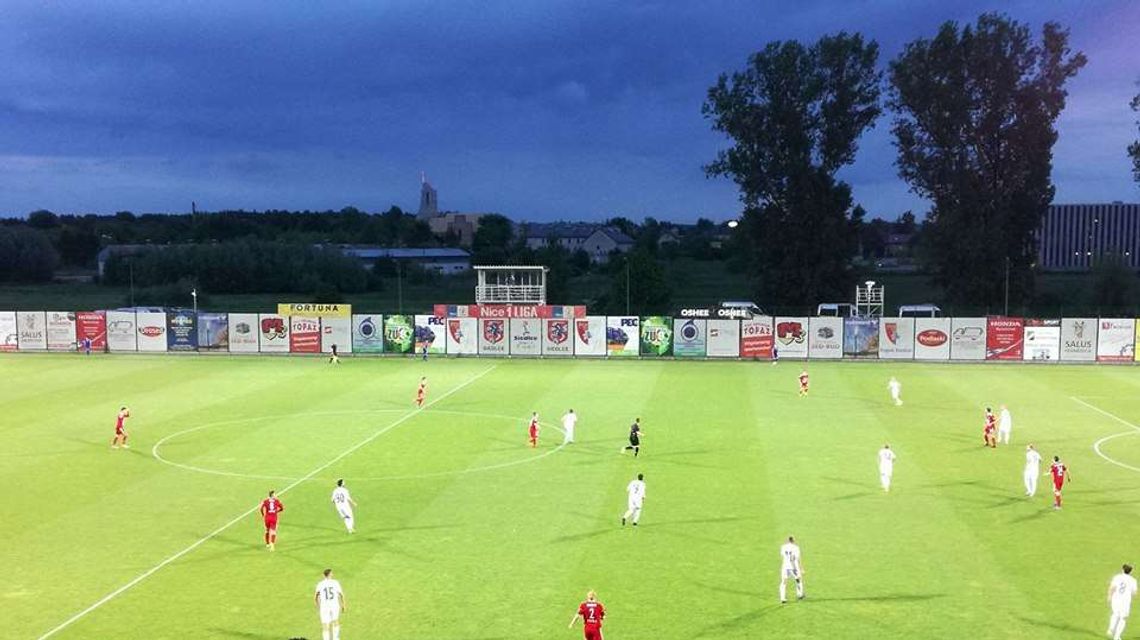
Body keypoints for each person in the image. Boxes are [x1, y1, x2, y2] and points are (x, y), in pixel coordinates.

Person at [1108, 564, 1138, 640]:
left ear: (1122, 569)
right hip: (1125, 601)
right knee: (1123, 618)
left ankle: (1111, 629)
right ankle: (1117, 636)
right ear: (1131, 571)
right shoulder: (1133, 580)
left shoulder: (1117, 577)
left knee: (1115, 614)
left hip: (1116, 599)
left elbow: (1112, 587)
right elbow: (1134, 593)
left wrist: (1109, 596)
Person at [314, 568, 346, 640]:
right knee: (335, 621)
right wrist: (343, 605)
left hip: (324, 606)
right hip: (334, 605)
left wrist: (318, 606)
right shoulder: (335, 583)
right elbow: (341, 594)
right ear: (330, 574)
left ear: (324, 575)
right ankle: (336, 638)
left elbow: (316, 596)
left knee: (325, 625)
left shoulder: (320, 584)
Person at [779, 536, 805, 603]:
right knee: (798, 580)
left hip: (785, 567)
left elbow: (782, 555)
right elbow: (797, 558)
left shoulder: (783, 547)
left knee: (784, 581)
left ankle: (782, 598)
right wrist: (801, 568)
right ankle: (800, 594)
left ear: (788, 540)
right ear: (793, 541)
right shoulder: (796, 548)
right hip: (793, 567)